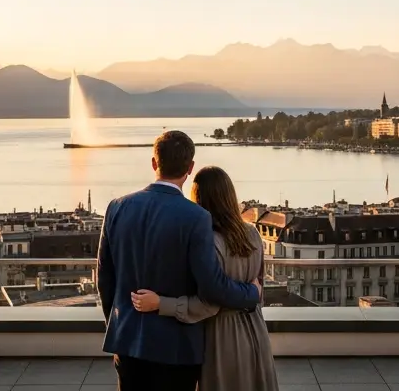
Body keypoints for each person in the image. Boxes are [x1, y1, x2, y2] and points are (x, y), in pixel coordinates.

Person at [97, 130, 261, 391]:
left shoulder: (116, 207)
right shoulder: (196, 217)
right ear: (190, 168)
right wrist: (251, 293)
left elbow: (104, 280)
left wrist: (120, 325)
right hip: (177, 349)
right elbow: (212, 286)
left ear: (154, 163)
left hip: (128, 342)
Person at [130, 165, 279, 391]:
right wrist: (251, 294)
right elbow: (258, 287)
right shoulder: (252, 234)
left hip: (221, 337)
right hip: (255, 331)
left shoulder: (207, 241)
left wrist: (161, 303)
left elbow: (208, 304)